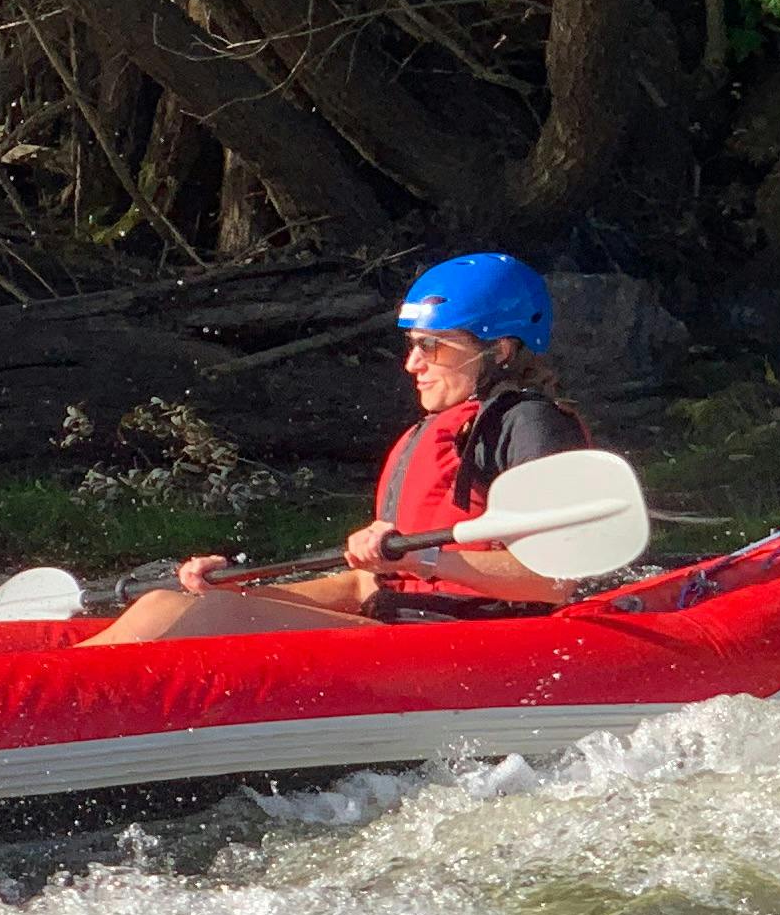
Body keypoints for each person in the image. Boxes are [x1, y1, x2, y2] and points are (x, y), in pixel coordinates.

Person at [90, 254, 591, 645]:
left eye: (432, 346)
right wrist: (243, 590)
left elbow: (555, 582)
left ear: (500, 349)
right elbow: (364, 587)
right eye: (413, 344)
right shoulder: (432, 432)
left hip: (472, 646)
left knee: (196, 617)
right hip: (404, 630)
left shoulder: (529, 424)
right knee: (170, 605)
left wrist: (425, 558)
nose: (413, 364)